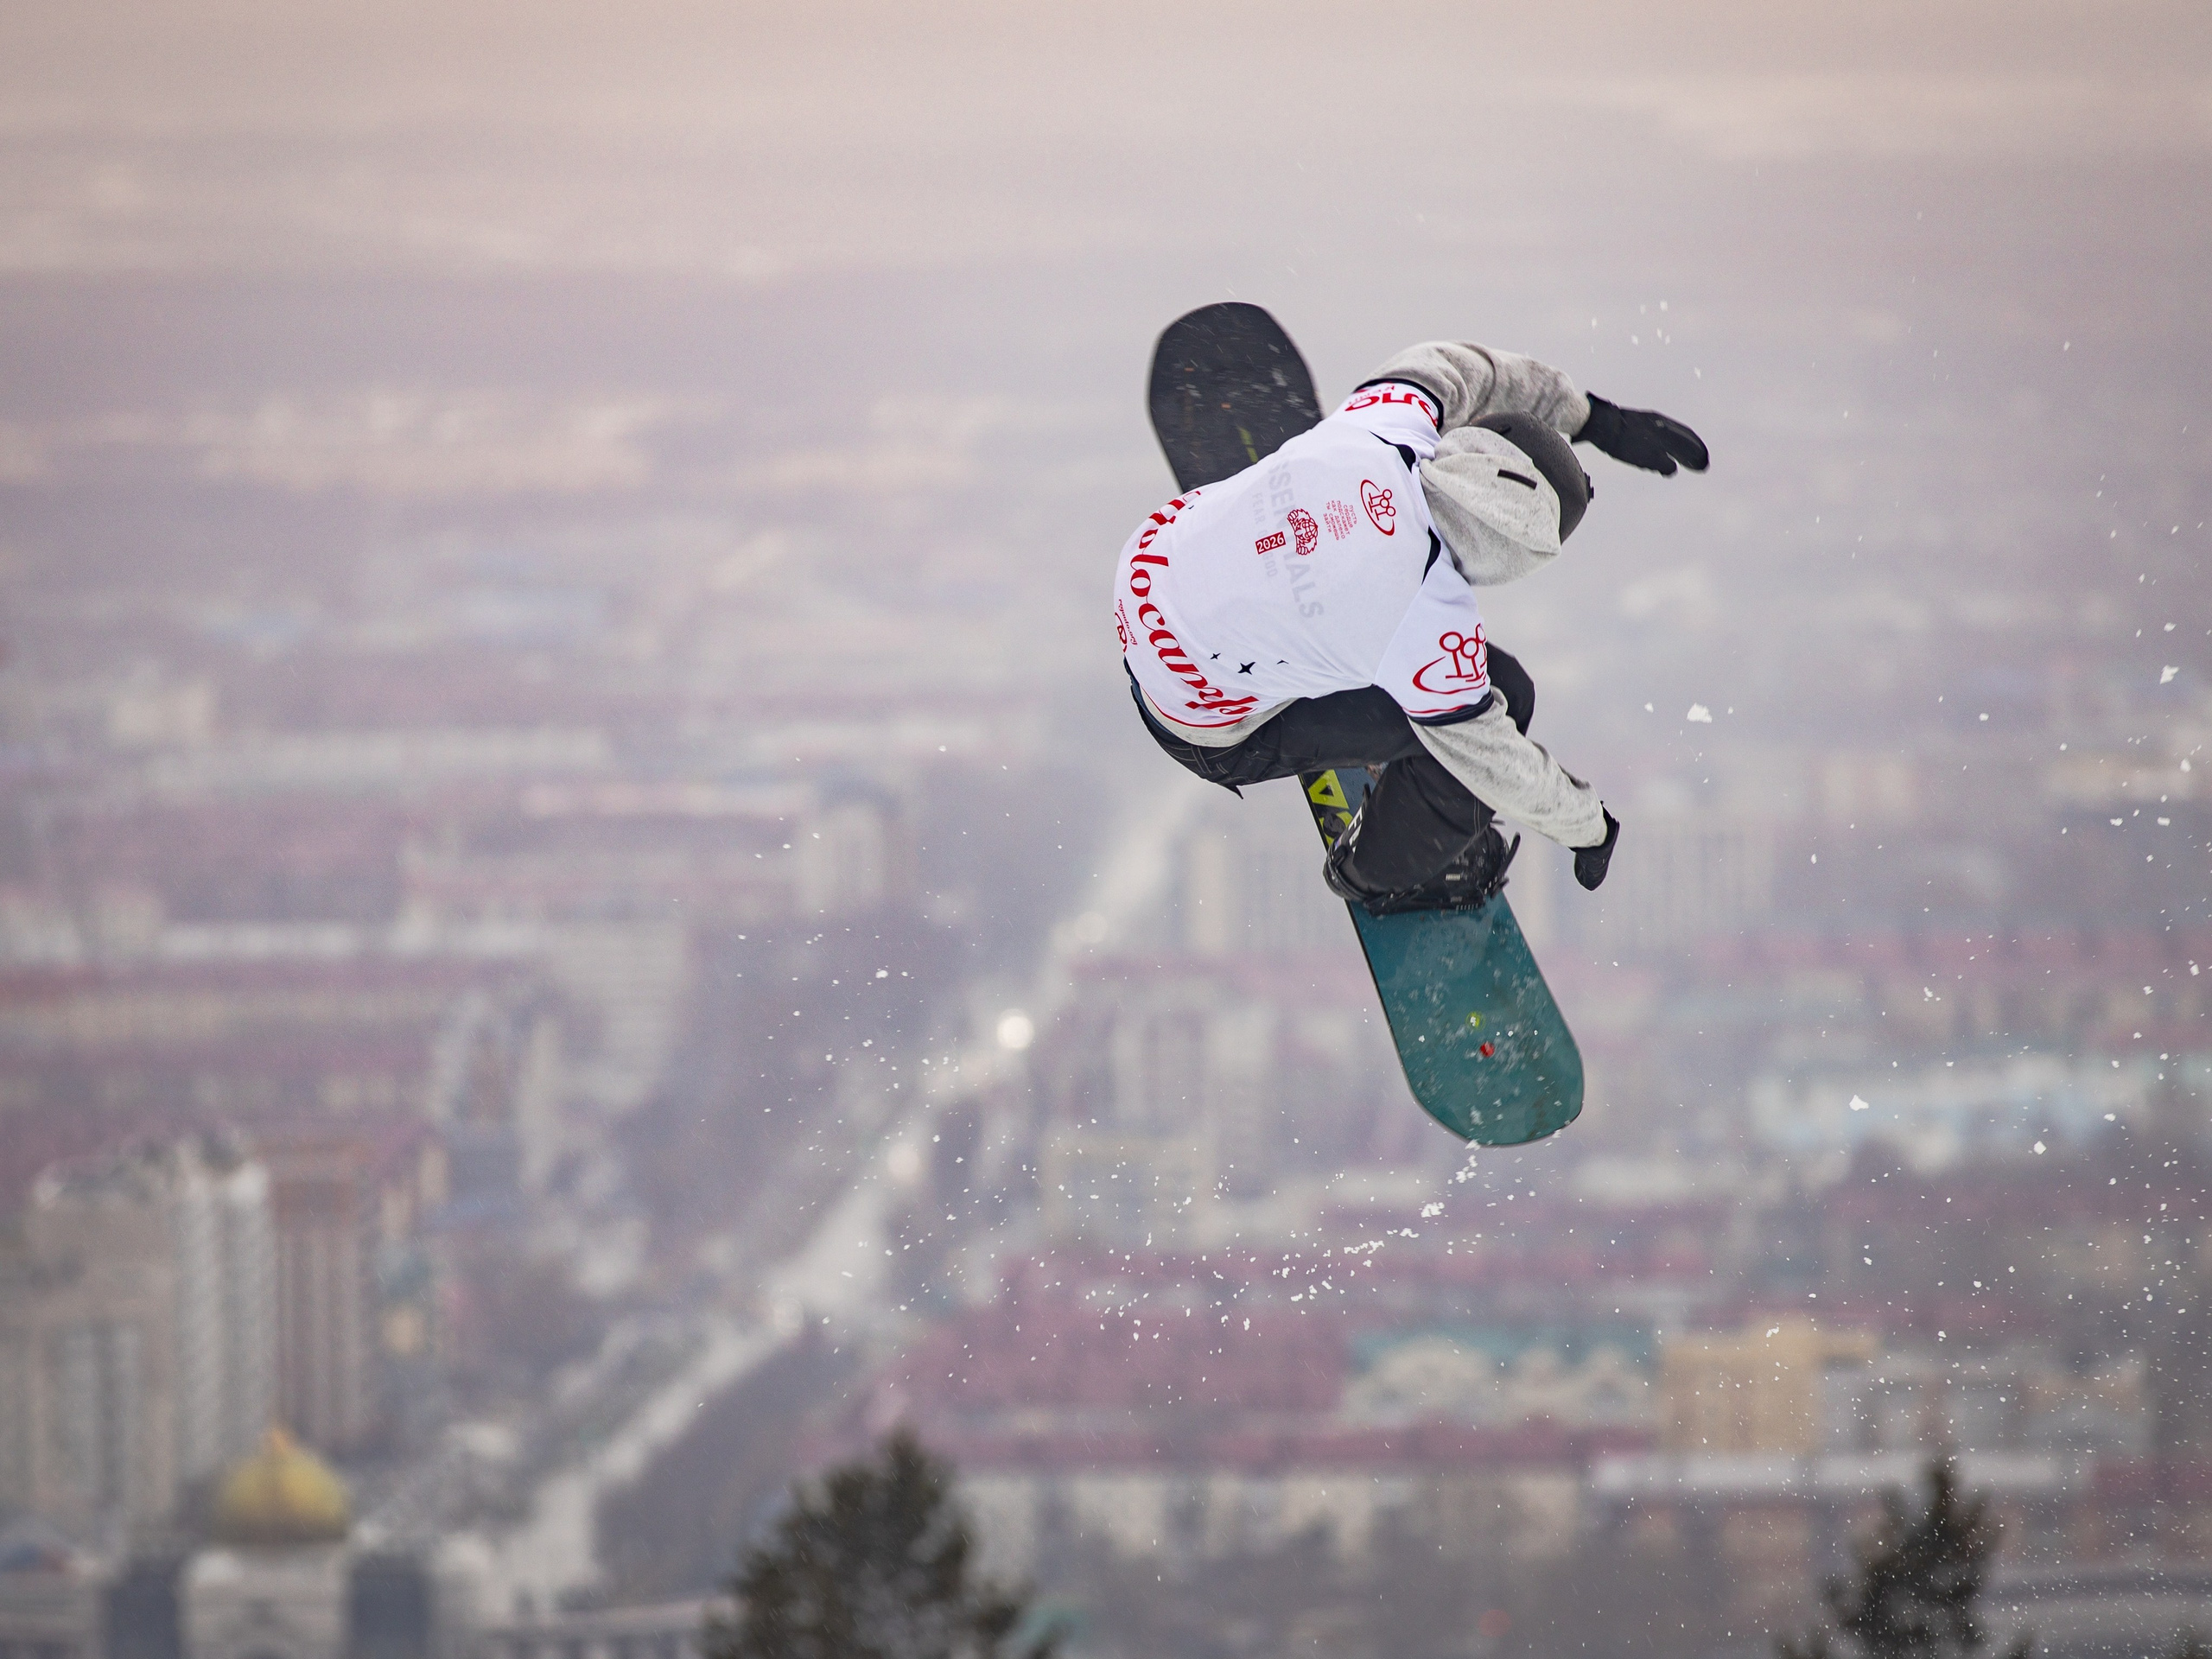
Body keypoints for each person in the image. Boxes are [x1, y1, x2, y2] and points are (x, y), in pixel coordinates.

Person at [1115, 339, 1707, 912]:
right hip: (1199, 725)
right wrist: (1591, 828)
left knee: (1384, 650)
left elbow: (1462, 369)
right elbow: (1497, 764)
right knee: (1491, 710)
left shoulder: (1389, 424)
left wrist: (1593, 418)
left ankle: (1263, 581)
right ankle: (1375, 872)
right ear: (1517, 552)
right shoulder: (1425, 622)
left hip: (1146, 568)